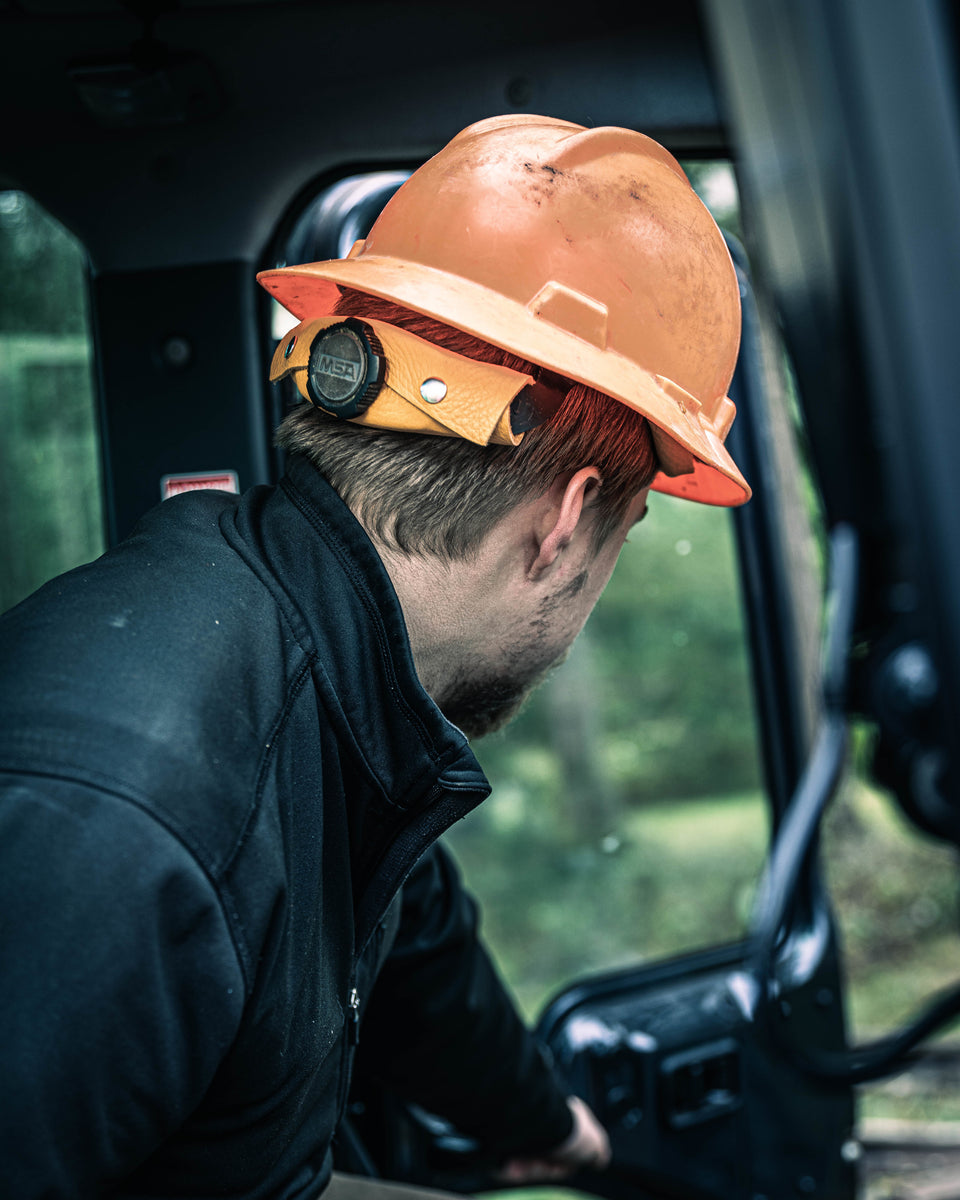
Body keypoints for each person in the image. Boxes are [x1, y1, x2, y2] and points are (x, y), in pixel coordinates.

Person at [0, 114, 748, 1198]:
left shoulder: (330, 698)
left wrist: (557, 1132)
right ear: (570, 519)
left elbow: (422, 954)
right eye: (623, 537)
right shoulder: (129, 829)